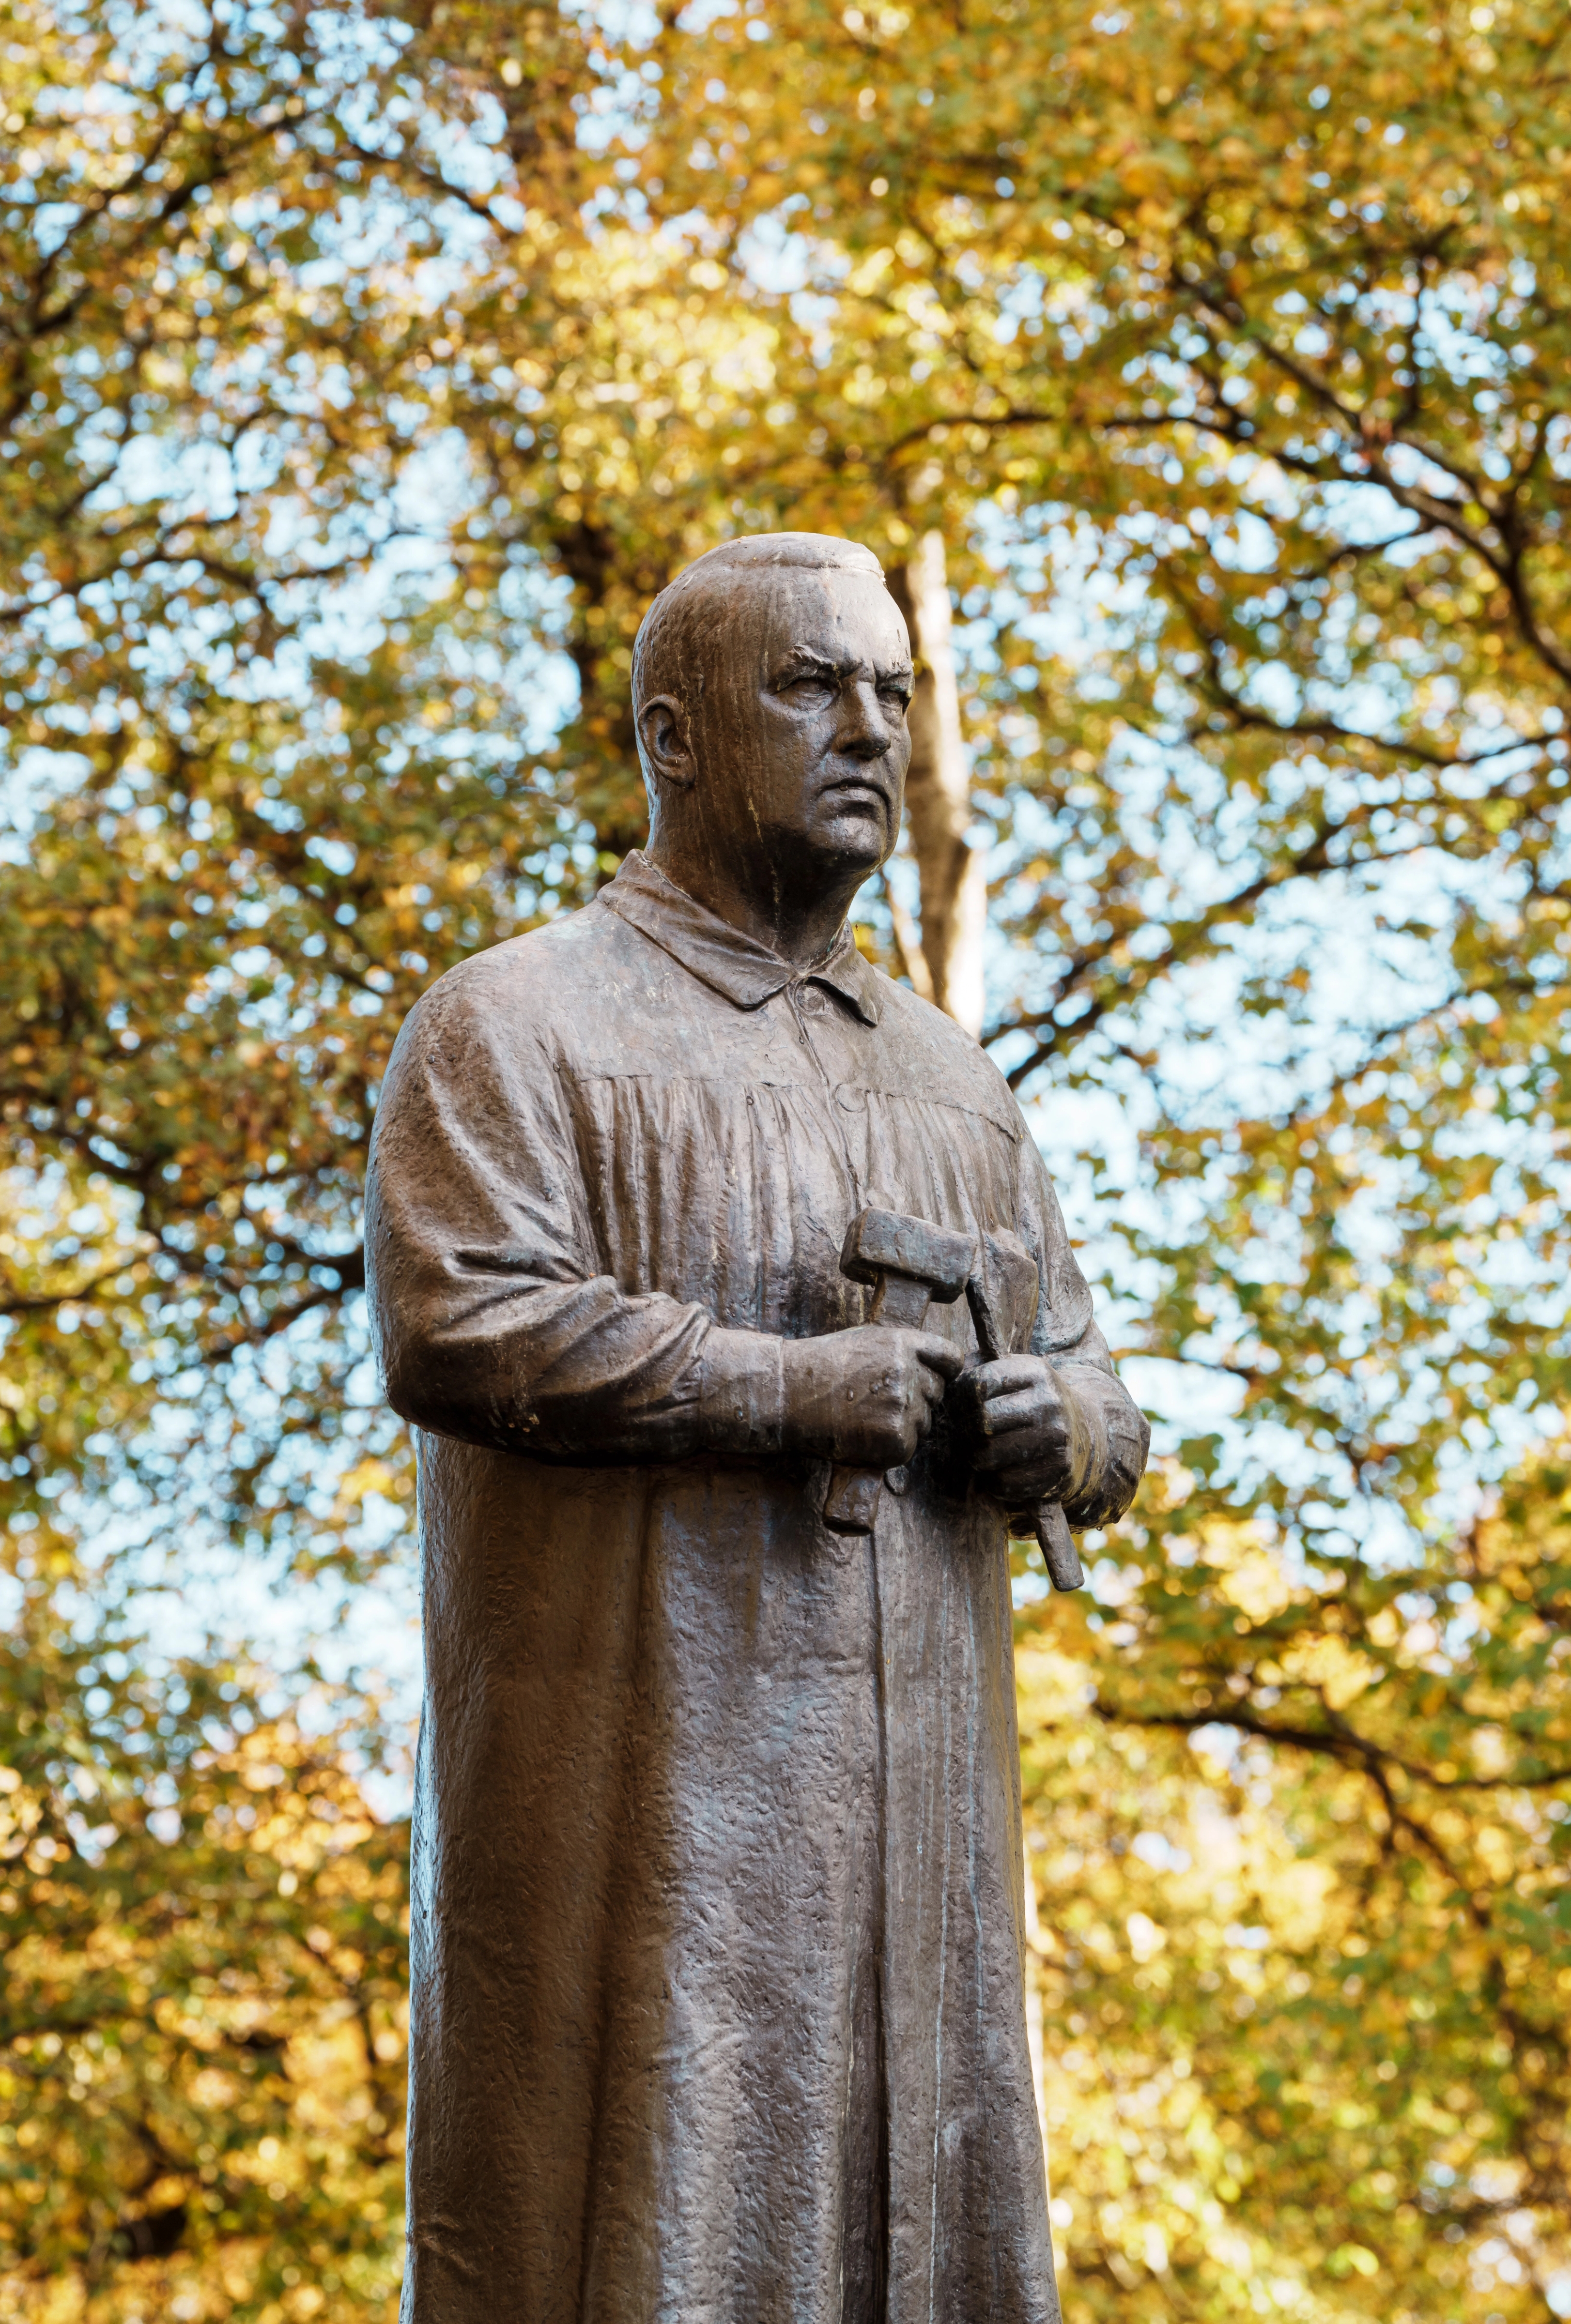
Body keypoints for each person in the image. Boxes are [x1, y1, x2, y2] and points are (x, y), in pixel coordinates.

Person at [365, 533, 1148, 2323]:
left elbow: (1096, 1376)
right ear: (674, 736)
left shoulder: (954, 1081)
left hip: (926, 1836)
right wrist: (783, 1387)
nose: (870, 728)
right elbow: (458, 1321)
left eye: (893, 691)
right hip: (658, 1805)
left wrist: (1071, 1428)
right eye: (811, 686)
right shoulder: (516, 1022)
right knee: (656, 2215)